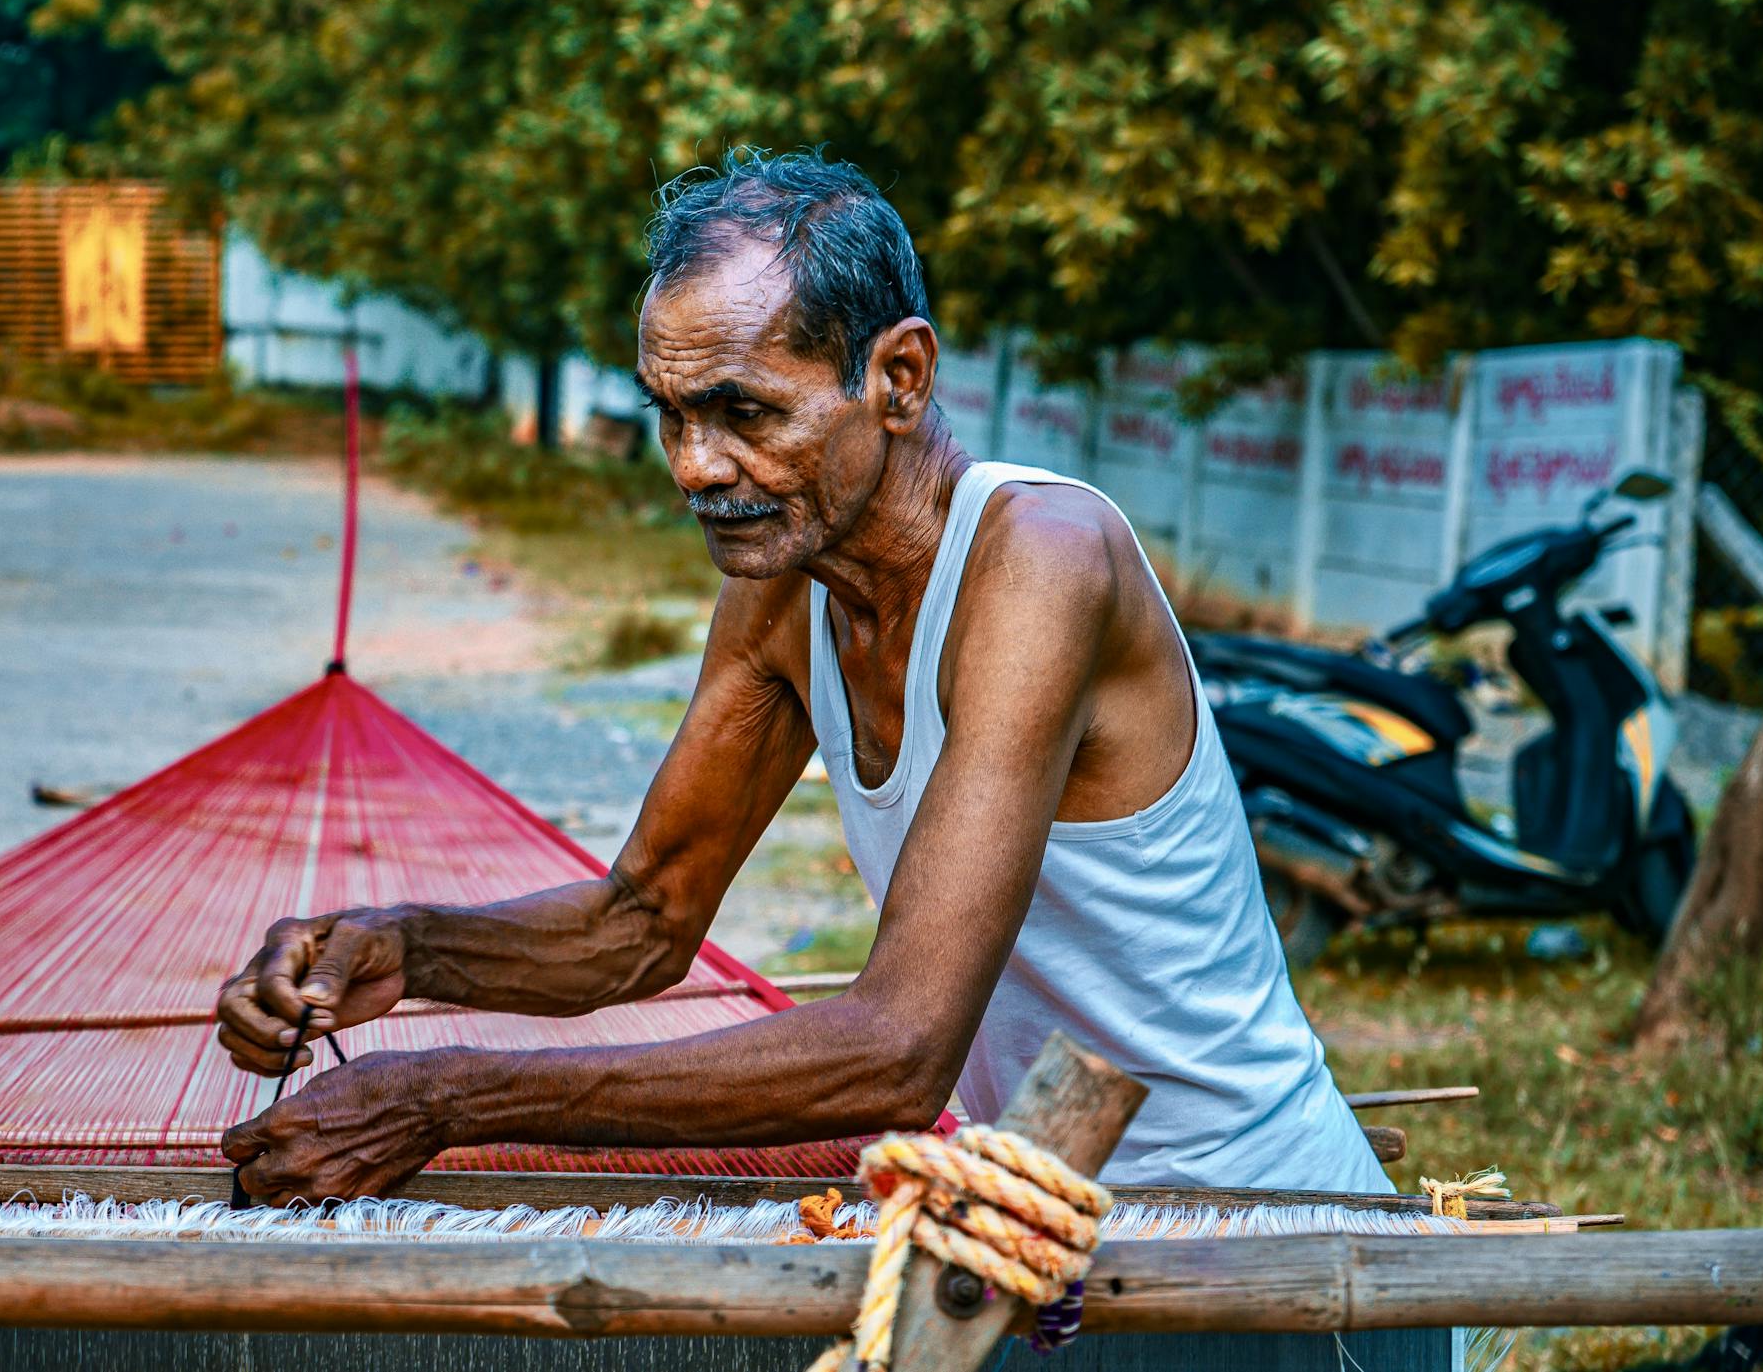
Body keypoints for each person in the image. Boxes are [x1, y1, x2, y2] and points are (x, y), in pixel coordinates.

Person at [217, 148, 1386, 1202]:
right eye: (671, 415)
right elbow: (642, 922)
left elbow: (897, 1050)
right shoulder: (786, 582)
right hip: (1043, 1218)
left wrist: (448, 1099)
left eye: (742, 412)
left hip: (1257, 1220)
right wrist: (402, 948)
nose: (694, 466)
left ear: (899, 379)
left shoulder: (1041, 559)